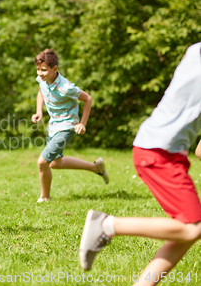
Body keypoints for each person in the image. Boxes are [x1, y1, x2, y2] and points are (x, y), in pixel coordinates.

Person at [79, 42, 201, 286]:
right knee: (192, 227)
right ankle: (106, 225)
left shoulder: (194, 52)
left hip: (161, 149)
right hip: (159, 151)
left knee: (185, 236)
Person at [32, 49, 109, 202]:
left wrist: (82, 123)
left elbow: (88, 99)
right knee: (54, 163)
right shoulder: (42, 79)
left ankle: (45, 197)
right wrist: (39, 111)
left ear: (55, 69)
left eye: (44, 70)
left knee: (42, 162)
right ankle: (96, 167)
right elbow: (41, 91)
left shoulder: (66, 87)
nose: (40, 73)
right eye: (38, 70)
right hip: (53, 125)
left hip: (67, 126)